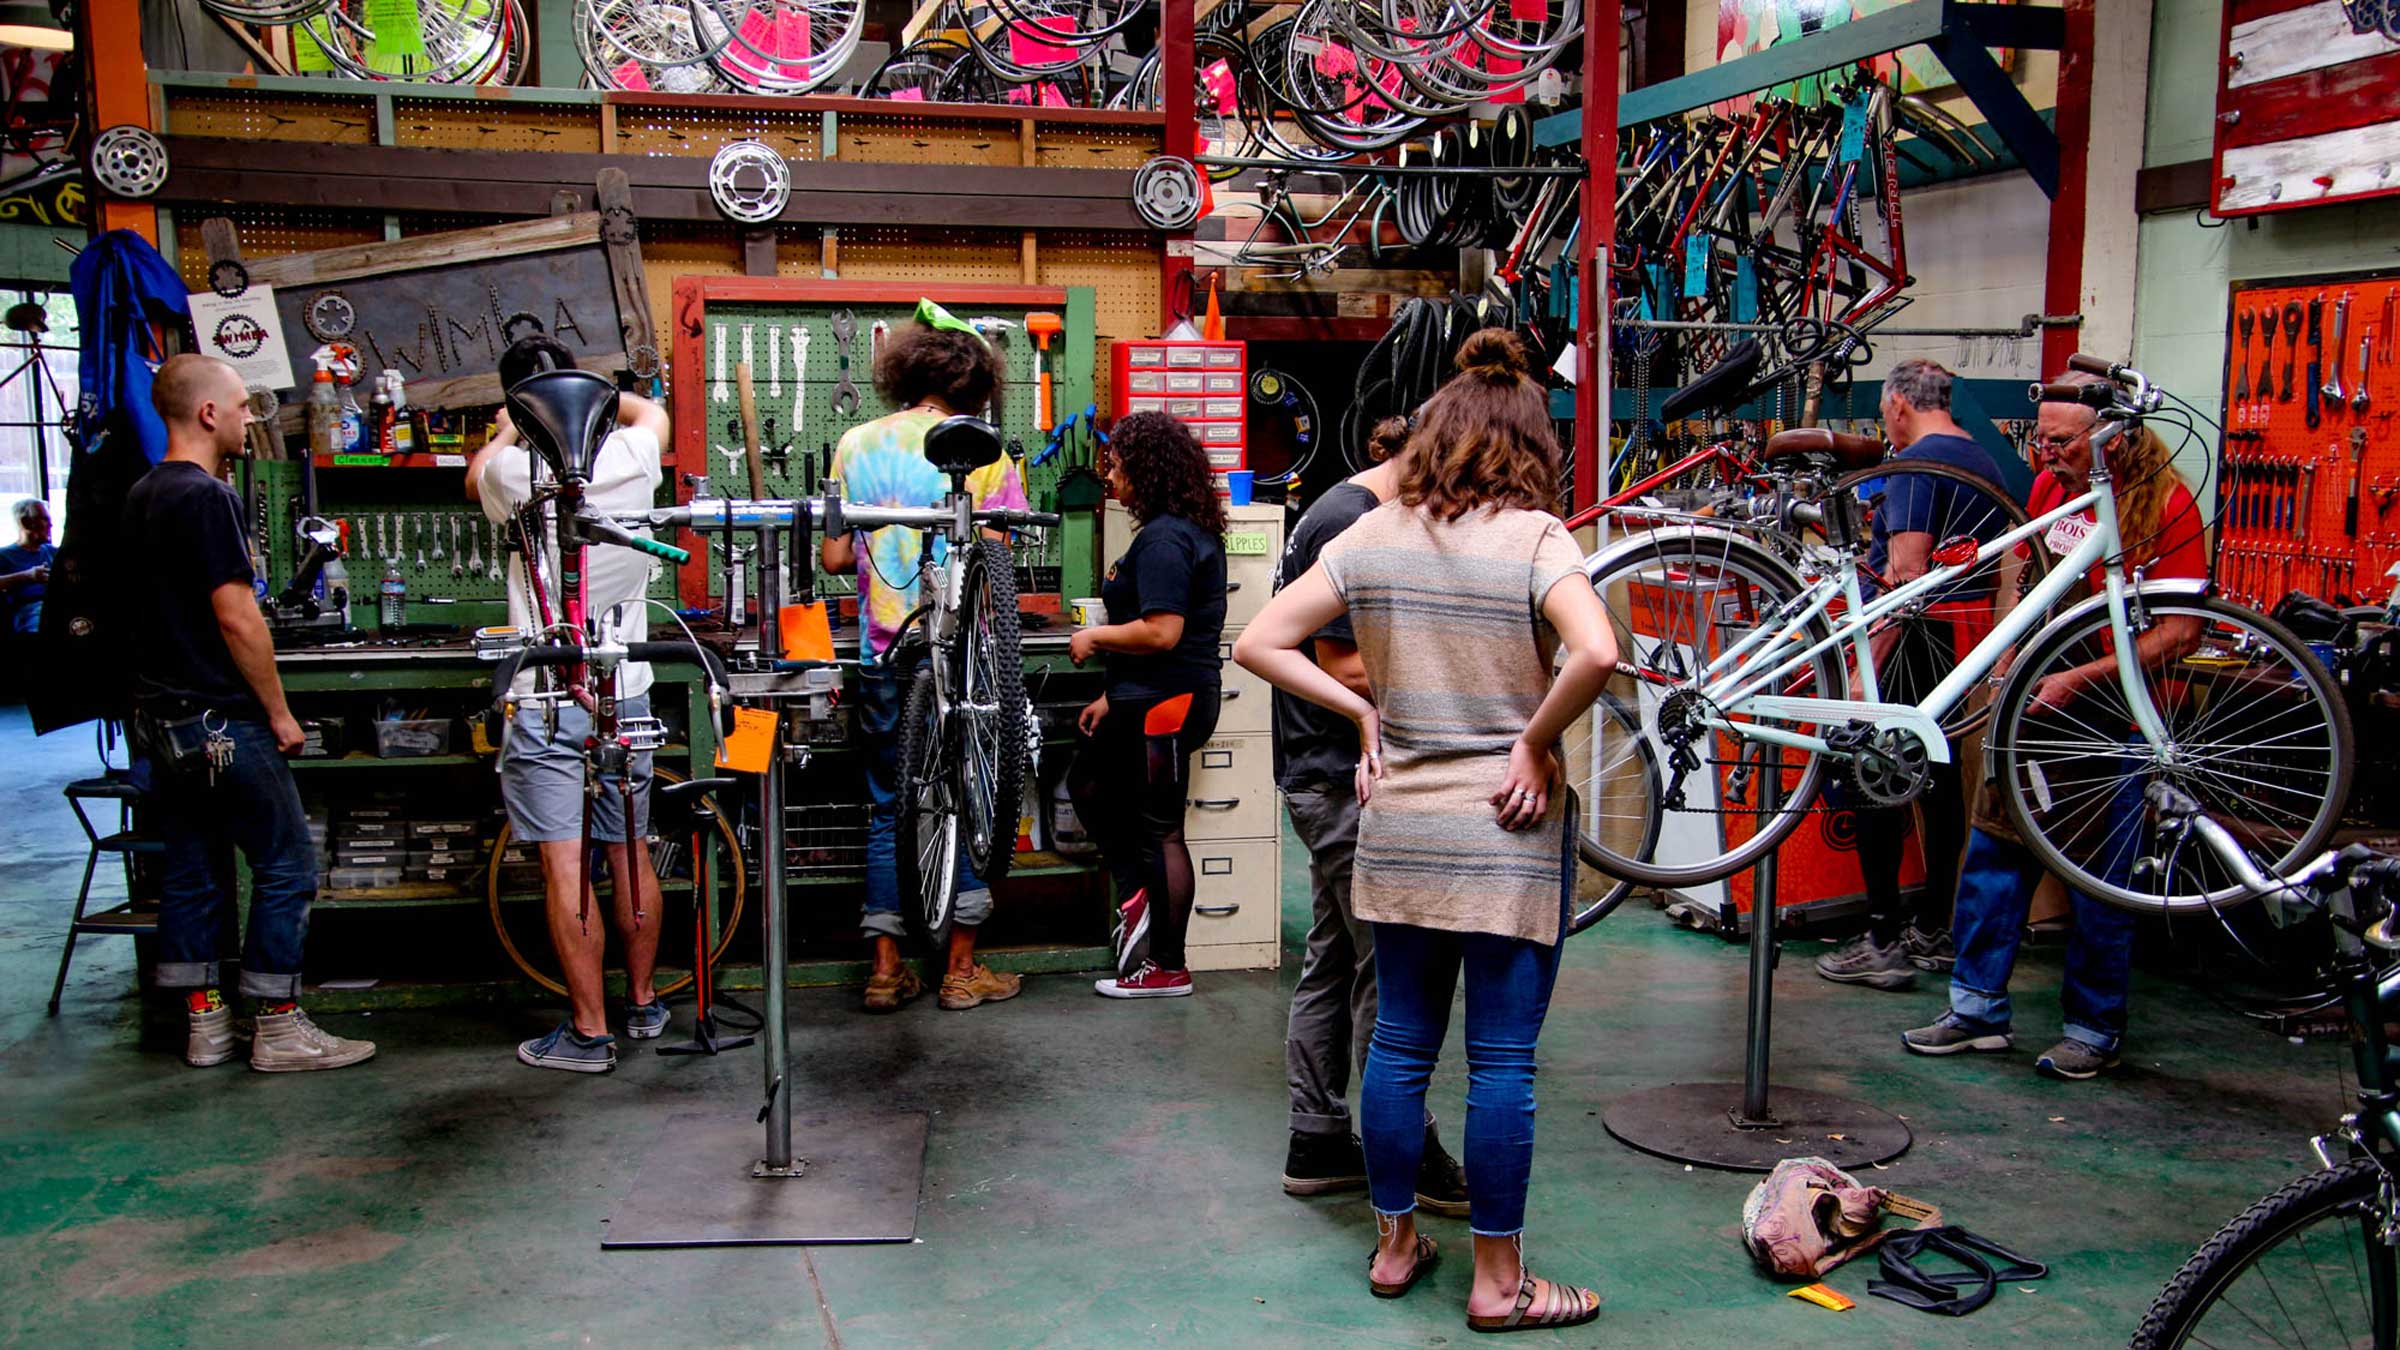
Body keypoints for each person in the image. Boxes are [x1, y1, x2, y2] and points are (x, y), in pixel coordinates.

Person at [1236, 330, 1615, 1332]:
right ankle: (1500, 1284)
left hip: (1398, 819)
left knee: (1400, 1044)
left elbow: (1258, 639)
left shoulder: (1372, 536)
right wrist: (1534, 742)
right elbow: (1598, 652)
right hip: (1506, 827)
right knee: (1499, 1063)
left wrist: (1365, 715)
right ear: (1529, 445)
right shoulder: (1538, 540)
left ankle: (1397, 1245)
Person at [1903, 367, 2204, 1080]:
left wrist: (2077, 677)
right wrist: (2008, 655)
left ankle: (2093, 1029)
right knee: (1994, 860)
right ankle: (1975, 1011)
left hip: (2113, 719)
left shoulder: (2168, 504)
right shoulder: (2050, 490)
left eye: (2064, 441)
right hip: (2034, 709)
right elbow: (2025, 581)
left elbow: (2184, 632)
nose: (2048, 453)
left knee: (2099, 885)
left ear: (2114, 435)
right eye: (2040, 439)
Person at [123, 354, 375, 1072]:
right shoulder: (205, 497)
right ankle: (278, 1025)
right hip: (218, 720)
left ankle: (206, 1025)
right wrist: (280, 712)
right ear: (208, 414)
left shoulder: (143, 493)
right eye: (240, 407)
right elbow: (237, 618)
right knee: (288, 863)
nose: (246, 419)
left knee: (194, 868)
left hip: (163, 721)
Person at [1272, 416, 1467, 1215]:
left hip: (1322, 772)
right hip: (1341, 776)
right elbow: (1342, 660)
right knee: (1391, 973)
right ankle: (1408, 1150)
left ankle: (1316, 1138)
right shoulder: (1354, 519)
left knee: (1333, 957)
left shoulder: (1338, 506)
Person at [469, 335, 671, 1072]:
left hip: (549, 691)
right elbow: (650, 415)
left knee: (566, 866)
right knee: (629, 851)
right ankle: (644, 1003)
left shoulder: (510, 468)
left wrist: (507, 423)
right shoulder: (631, 458)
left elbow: (474, 476)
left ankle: (589, 1032)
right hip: (629, 688)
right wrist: (604, 401)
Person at [822, 306, 1028, 1014]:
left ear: (905, 374)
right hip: (964, 661)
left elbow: (834, 555)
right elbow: (999, 561)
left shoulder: (857, 443)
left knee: (889, 805)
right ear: (975, 385)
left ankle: (885, 971)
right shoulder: (989, 451)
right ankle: (960, 972)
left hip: (884, 645)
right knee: (969, 796)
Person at [1815, 358, 2007, 991]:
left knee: (1873, 775)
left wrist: (1867, 661)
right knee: (1938, 782)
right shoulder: (1982, 459)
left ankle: (1881, 938)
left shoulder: (1915, 465)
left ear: (1898, 404)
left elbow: (1906, 572)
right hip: (1957, 643)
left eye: (1883, 413)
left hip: (1911, 640)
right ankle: (1932, 926)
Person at [1068, 411, 1227, 1000]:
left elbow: (1163, 632)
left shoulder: (1165, 537)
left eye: (1116, 463)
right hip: (1154, 696)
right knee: (1090, 784)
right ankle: (1138, 893)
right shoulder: (1174, 529)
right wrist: (1114, 696)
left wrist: (1095, 638)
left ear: (1147, 468)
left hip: (1170, 703)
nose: (1110, 474)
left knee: (1161, 830)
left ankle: (1166, 966)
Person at [0, 498, 52, 633]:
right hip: (31, 612)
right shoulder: (5, 555)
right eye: (44, 519)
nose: (51, 524)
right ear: (26, 523)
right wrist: (27, 576)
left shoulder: (53, 552)